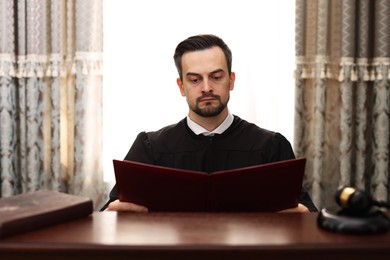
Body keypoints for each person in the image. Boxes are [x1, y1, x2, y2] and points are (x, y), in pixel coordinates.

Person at [101, 34, 317, 213]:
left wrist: (301, 215)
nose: (206, 87)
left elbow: (306, 215)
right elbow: (109, 213)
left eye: (216, 77)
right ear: (181, 86)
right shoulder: (150, 148)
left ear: (231, 81)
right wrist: (115, 214)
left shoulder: (271, 146)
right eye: (194, 80)